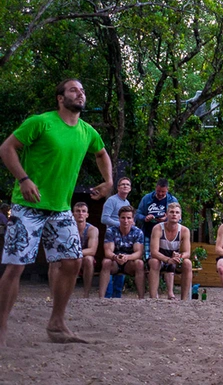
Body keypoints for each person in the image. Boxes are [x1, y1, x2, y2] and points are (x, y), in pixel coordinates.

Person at [0, 78, 113, 345]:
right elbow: (7, 148)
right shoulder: (41, 122)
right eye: (74, 90)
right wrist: (23, 179)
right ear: (60, 98)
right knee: (16, 266)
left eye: (82, 90)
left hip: (61, 209)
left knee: (73, 261)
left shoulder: (87, 131)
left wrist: (109, 181)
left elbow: (101, 154)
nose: (80, 93)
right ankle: (1, 327)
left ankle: (57, 324)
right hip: (28, 206)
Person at [148, 202, 192, 301]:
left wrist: (179, 257)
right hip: (160, 257)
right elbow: (154, 252)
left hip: (175, 257)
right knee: (154, 262)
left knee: (188, 263)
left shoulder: (184, 231)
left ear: (180, 216)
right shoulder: (158, 228)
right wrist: (167, 259)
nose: (174, 214)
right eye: (171, 212)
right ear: (166, 214)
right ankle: (153, 298)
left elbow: (187, 253)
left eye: (177, 212)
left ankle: (184, 300)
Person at [99, 206, 145, 299]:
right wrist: (116, 257)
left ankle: (141, 297)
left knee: (139, 263)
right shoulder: (111, 231)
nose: (126, 221)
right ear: (119, 218)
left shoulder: (138, 232)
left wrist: (127, 257)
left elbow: (138, 253)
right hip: (115, 261)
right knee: (106, 262)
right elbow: (108, 251)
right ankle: (101, 297)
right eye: (123, 218)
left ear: (133, 219)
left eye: (129, 218)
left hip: (129, 262)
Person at [72, 201, 100, 298]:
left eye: (83, 211)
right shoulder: (68, 228)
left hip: (82, 257)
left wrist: (75, 253)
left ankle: (86, 294)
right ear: (73, 214)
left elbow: (92, 250)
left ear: (87, 215)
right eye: (78, 211)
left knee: (89, 259)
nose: (81, 213)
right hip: (70, 257)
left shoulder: (92, 230)